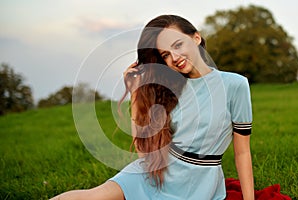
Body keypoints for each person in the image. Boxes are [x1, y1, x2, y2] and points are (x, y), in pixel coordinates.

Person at [50, 14, 254, 200]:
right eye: (165, 55)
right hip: (154, 176)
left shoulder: (235, 85)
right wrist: (136, 92)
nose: (174, 58)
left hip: (201, 185)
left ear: (196, 38)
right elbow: (144, 153)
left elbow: (242, 152)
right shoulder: (169, 88)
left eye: (178, 45)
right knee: (93, 197)